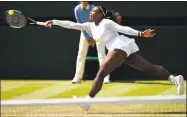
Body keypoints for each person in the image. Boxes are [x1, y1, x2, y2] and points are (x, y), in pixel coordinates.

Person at [44, 6, 185, 111]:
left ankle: (87, 102)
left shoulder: (106, 22)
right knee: (149, 68)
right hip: (123, 48)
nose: (91, 13)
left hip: (120, 46)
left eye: (94, 11)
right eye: (91, 12)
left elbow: (124, 29)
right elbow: (72, 25)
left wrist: (141, 34)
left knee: (101, 73)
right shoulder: (89, 26)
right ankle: (174, 78)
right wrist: (54, 21)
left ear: (101, 15)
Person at [72, 1, 110, 84]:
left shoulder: (94, 8)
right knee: (81, 54)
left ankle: (105, 77)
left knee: (102, 55)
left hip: (98, 31)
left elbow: (98, 23)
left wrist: (94, 37)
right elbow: (79, 24)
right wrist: (87, 37)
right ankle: (77, 77)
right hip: (85, 32)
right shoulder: (77, 9)